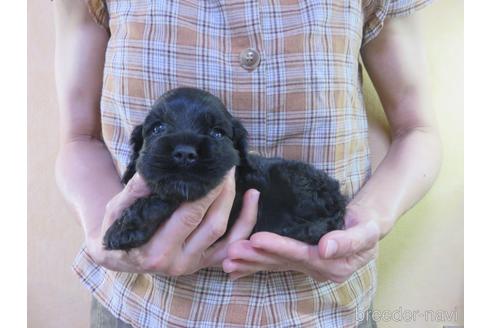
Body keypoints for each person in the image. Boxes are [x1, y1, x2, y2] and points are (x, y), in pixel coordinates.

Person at [53, 0, 441, 327]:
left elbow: (416, 130)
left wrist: (371, 217)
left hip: (325, 309)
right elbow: (79, 138)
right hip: (142, 307)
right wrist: (104, 232)